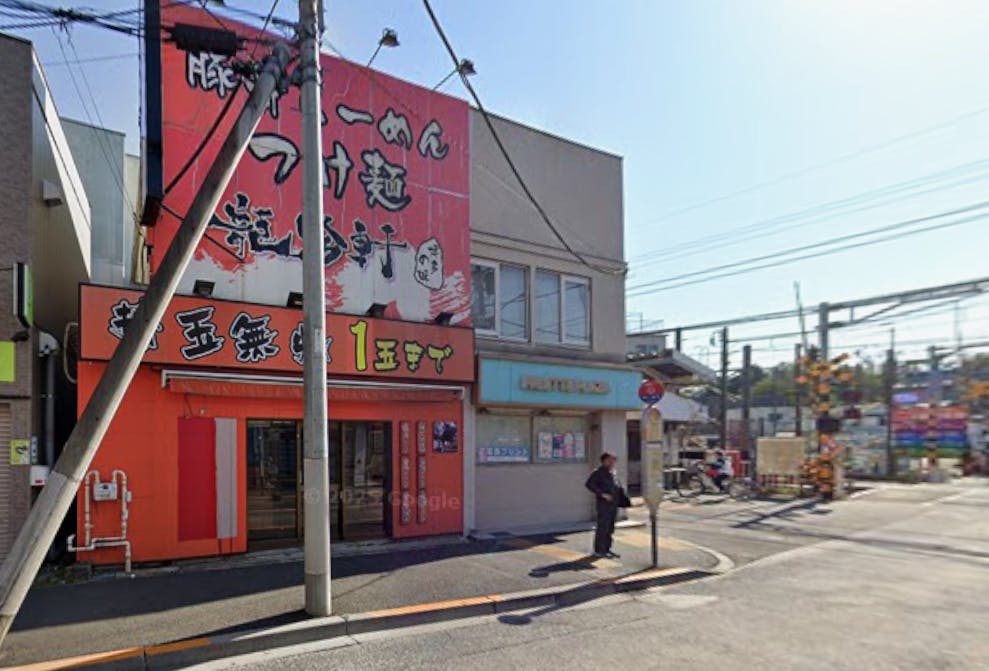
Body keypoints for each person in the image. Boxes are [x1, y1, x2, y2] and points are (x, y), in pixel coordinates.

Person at [585, 453, 622, 558]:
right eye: (609, 460)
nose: (612, 462)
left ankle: (607, 548)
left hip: (613, 504)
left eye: (614, 460)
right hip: (604, 504)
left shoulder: (613, 472)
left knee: (610, 527)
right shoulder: (598, 472)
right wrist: (602, 494)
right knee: (603, 527)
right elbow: (589, 484)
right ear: (604, 461)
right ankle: (599, 550)